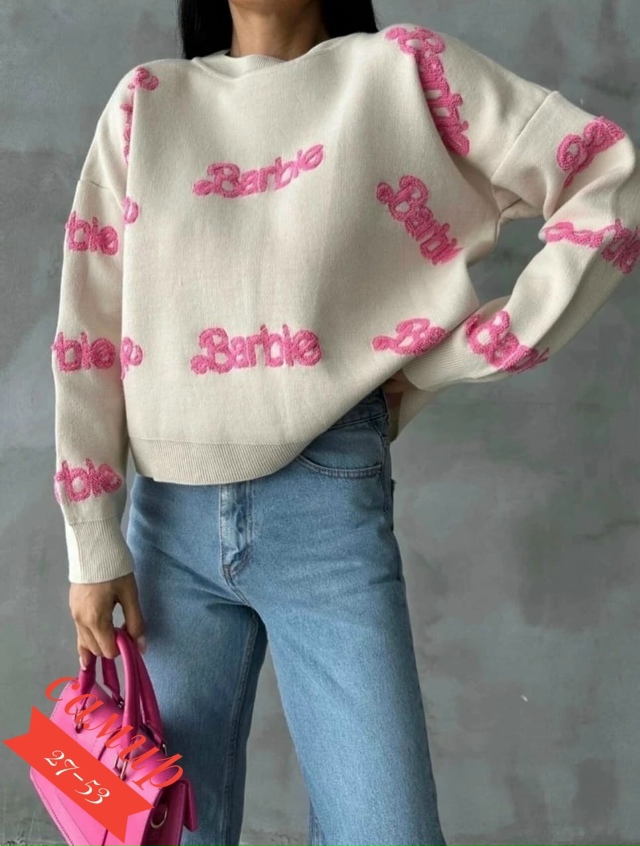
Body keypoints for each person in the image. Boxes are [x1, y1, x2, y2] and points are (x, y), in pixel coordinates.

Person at [52, 0, 639, 843]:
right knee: (157, 832)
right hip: (163, 533)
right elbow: (90, 325)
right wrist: (91, 539)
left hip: (326, 513)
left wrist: (449, 357)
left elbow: (609, 182)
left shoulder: (401, 72)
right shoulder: (147, 100)